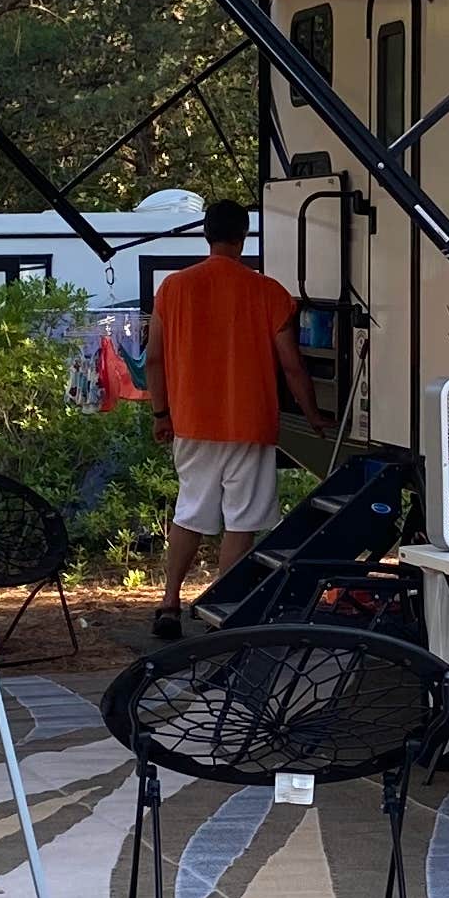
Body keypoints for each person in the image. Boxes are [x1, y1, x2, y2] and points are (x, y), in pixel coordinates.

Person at [146, 195, 309, 639]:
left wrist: (162, 413)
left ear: (206, 234)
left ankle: (169, 601)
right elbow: (291, 364)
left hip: (192, 420)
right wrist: (313, 414)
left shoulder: (173, 289)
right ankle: (222, 607)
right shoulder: (268, 292)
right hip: (250, 423)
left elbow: (154, 359)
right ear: (243, 236)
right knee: (241, 521)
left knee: (191, 510)